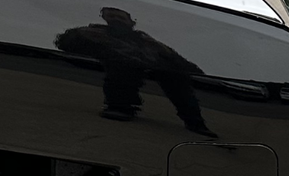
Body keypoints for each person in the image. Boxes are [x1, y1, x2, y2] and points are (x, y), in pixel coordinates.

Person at [54, 7, 216, 136]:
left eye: (121, 17)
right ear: (105, 19)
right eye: (112, 16)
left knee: (175, 77)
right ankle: (119, 107)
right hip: (120, 67)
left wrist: (198, 76)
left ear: (131, 22)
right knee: (123, 65)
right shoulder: (92, 33)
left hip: (154, 68)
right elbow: (65, 44)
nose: (116, 20)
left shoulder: (146, 40)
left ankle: (195, 122)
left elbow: (179, 61)